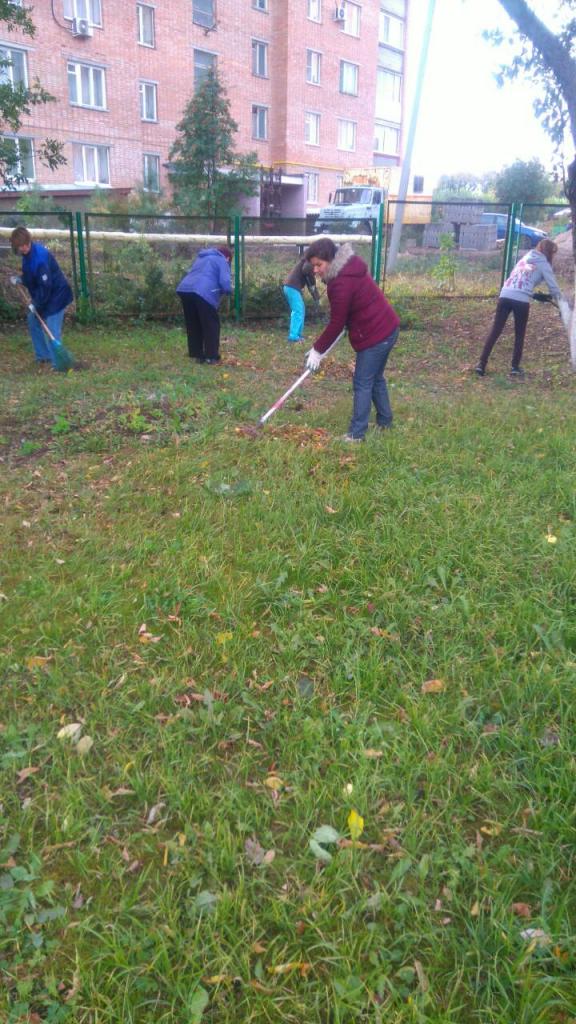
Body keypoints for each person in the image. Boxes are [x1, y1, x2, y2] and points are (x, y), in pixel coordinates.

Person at [303, 238, 400, 442]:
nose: (316, 270)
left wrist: (317, 350)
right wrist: (320, 349)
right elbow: (345, 317)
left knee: (363, 382)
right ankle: (385, 421)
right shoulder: (348, 268)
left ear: (330, 260)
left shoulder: (340, 282)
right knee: (375, 378)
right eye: (313, 266)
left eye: (319, 265)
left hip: (377, 334)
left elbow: (337, 323)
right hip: (388, 327)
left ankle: (356, 435)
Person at [475, 238, 562, 377]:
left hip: (505, 294)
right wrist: (562, 305)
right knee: (519, 334)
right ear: (550, 252)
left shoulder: (526, 257)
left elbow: (519, 280)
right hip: (520, 301)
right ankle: (515, 367)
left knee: (495, 331)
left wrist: (533, 294)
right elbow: (554, 288)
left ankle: (481, 364)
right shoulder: (544, 263)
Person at [10, 226, 73, 369]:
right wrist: (21, 279)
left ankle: (59, 364)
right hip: (45, 295)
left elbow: (46, 286)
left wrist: (36, 304)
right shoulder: (27, 256)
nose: (23, 248)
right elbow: (32, 277)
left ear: (29, 241)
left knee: (52, 328)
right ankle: (43, 356)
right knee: (33, 320)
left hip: (57, 296)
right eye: (20, 247)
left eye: (25, 245)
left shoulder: (40, 258)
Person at [176, 245, 232, 364]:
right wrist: (229, 290)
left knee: (194, 323)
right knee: (211, 325)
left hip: (185, 290)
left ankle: (198, 355)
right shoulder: (222, 260)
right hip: (203, 292)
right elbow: (225, 282)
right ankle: (211, 357)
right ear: (227, 258)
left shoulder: (201, 258)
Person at [283, 255, 320, 342]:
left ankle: (298, 335)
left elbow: (309, 281)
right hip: (292, 287)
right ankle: (293, 336)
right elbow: (307, 271)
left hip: (291, 287)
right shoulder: (309, 262)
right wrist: (316, 296)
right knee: (298, 311)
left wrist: (315, 296)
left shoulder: (307, 261)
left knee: (301, 310)